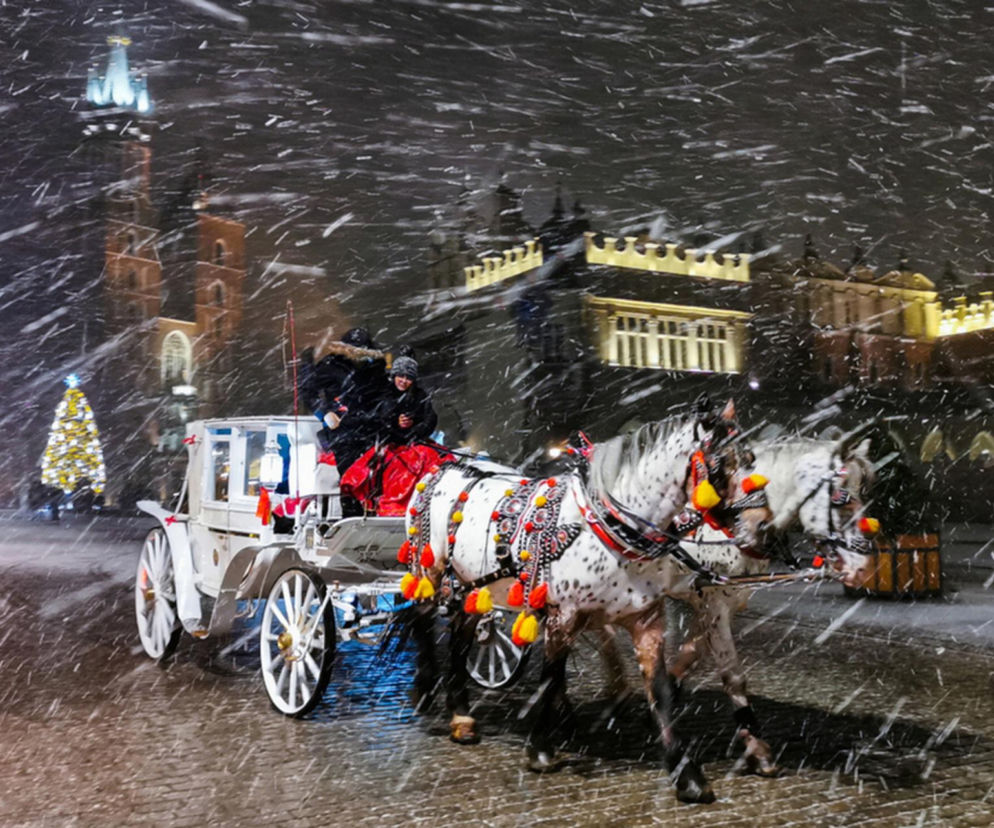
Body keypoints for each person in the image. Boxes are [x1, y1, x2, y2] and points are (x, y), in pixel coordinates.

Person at [376, 356, 437, 444]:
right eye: (401, 375)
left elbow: (430, 418)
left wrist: (414, 425)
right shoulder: (383, 393)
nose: (404, 381)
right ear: (394, 375)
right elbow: (377, 421)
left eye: (409, 378)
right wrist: (395, 423)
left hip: (414, 442)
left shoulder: (419, 395)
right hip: (388, 444)